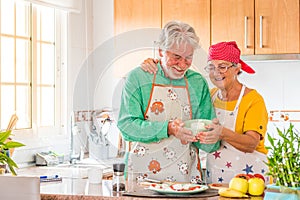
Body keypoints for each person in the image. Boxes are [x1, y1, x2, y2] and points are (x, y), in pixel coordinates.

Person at [141, 41, 269, 184]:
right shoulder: (210, 95)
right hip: (215, 180)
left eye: (222, 66)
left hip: (250, 180)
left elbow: (251, 143)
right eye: (211, 67)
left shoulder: (253, 100)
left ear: (237, 68)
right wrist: (158, 63)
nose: (216, 73)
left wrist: (221, 133)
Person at [117, 20, 220, 183]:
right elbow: (127, 127)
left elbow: (209, 143)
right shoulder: (138, 77)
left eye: (188, 58)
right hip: (142, 182)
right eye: (176, 57)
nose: (182, 64)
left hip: (185, 183)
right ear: (160, 51)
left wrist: (212, 137)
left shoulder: (197, 82)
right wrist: (168, 128)